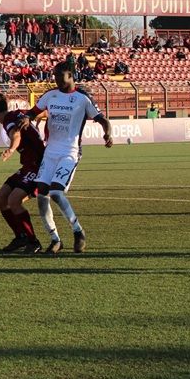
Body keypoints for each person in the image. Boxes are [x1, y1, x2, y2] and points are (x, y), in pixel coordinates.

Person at [28, 62, 113, 253]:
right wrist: (26, 118)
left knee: (56, 192)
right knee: (41, 196)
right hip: (50, 152)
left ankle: (78, 231)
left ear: (71, 76)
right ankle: (55, 239)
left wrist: (108, 134)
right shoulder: (50, 95)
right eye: (55, 76)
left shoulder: (82, 98)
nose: (57, 80)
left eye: (61, 76)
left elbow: (102, 119)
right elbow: (32, 113)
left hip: (70, 152)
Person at [0, 92, 45, 253]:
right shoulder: (18, 114)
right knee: (1, 198)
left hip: (39, 166)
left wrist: (11, 150)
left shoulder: (9, 120)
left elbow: (16, 135)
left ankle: (33, 241)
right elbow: (43, 112)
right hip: (28, 166)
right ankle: (20, 237)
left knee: (14, 200)